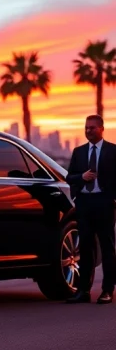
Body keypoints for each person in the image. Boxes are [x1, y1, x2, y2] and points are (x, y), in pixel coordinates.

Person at [66, 114, 116, 304]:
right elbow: (69, 177)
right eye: (86, 128)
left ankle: (107, 291)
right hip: (84, 204)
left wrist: (112, 199)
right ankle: (83, 291)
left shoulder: (113, 151)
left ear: (102, 129)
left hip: (104, 203)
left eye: (92, 128)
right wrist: (82, 177)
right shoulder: (78, 152)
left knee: (107, 248)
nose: (88, 131)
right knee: (85, 248)